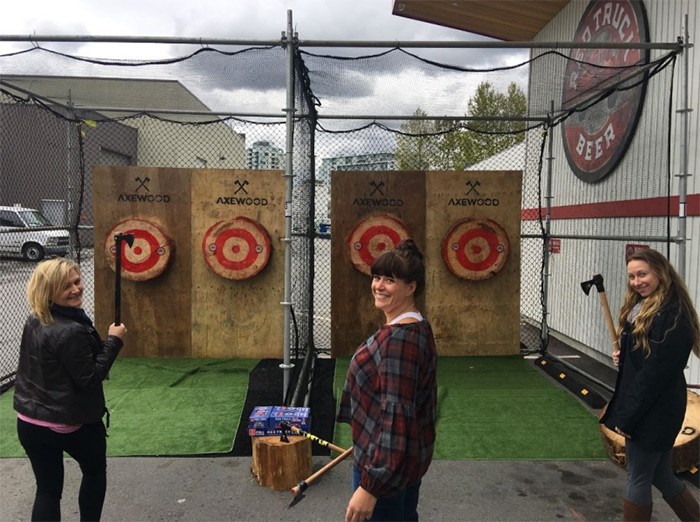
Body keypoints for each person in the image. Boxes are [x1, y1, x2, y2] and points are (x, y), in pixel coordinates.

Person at [13, 257, 127, 521]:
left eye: (77, 281)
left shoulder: (35, 319)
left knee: (48, 490)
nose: (77, 289)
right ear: (49, 291)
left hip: (30, 421)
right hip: (68, 423)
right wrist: (114, 342)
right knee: (95, 472)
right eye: (67, 286)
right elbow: (90, 378)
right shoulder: (71, 330)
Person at [337, 239, 437, 522]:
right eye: (377, 277)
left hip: (384, 469)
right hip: (402, 462)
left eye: (390, 280)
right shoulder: (417, 324)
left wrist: (370, 487)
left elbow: (397, 416)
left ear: (411, 287)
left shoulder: (399, 341)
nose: (379, 285)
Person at [600, 248, 700, 521]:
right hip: (655, 404)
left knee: (638, 477)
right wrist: (628, 353)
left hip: (654, 409)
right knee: (661, 474)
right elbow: (648, 360)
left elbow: (655, 373)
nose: (636, 281)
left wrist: (628, 416)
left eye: (642, 274)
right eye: (632, 276)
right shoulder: (648, 305)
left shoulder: (672, 314)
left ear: (660, 272)